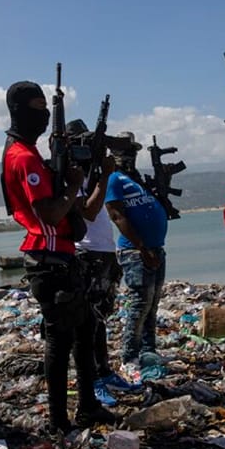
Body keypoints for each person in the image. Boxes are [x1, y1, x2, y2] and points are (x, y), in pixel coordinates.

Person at [0, 81, 115, 434]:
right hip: (47, 260)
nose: (45, 115)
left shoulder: (32, 155)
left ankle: (87, 407)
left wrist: (86, 177)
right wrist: (68, 185)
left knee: (83, 333)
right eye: (38, 107)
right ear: (20, 110)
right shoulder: (23, 157)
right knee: (59, 341)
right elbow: (49, 214)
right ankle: (58, 420)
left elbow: (82, 211)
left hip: (61, 257)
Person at [67, 120, 142, 407]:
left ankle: (104, 371)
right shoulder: (69, 174)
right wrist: (104, 176)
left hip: (104, 252)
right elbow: (88, 211)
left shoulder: (91, 171)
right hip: (86, 253)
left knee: (99, 321)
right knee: (86, 323)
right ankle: (92, 380)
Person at [105, 132, 168, 368]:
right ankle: (130, 356)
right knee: (139, 304)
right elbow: (116, 214)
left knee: (152, 305)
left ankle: (149, 351)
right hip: (135, 251)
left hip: (154, 248)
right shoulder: (113, 179)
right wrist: (142, 248)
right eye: (125, 151)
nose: (130, 156)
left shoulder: (136, 179)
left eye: (133, 151)